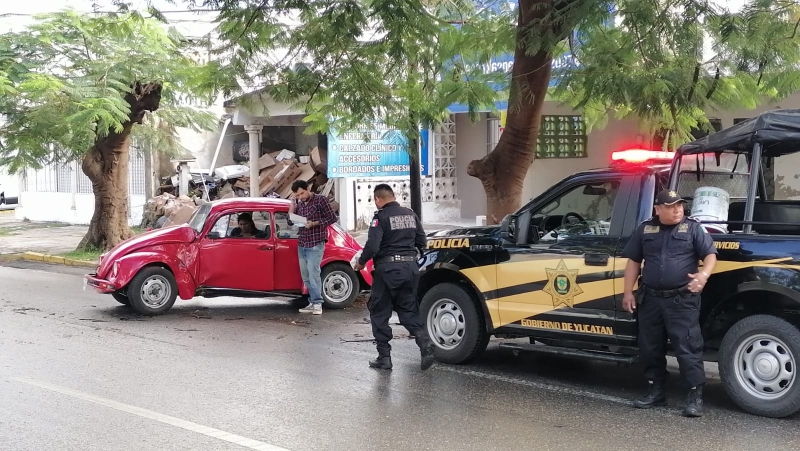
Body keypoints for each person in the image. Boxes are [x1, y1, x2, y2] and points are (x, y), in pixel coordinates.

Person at [621, 189, 717, 417]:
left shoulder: (693, 228)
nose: (677, 210)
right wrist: (627, 292)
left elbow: (711, 255)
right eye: (671, 206)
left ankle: (694, 396)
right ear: (658, 209)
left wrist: (703, 276)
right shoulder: (645, 229)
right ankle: (656, 391)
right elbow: (634, 261)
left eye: (679, 205)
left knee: (687, 346)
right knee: (650, 346)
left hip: (681, 299)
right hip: (651, 299)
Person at [353, 184, 436, 371]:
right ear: (393, 195)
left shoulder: (380, 217)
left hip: (387, 269)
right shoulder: (410, 214)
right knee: (408, 310)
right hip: (410, 269)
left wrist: (361, 261)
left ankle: (384, 357)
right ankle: (424, 342)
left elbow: (373, 246)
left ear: (377, 199)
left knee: (380, 311)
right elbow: (422, 242)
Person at [290, 180, 337, 315]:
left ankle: (317, 303)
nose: (301, 197)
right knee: (305, 276)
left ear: (308, 188)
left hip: (316, 242)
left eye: (302, 193)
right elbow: (290, 220)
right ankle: (313, 301)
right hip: (302, 243)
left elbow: (332, 218)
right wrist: (292, 205)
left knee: (313, 273)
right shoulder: (299, 203)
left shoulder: (320, 200)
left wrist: (315, 223)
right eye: (297, 195)